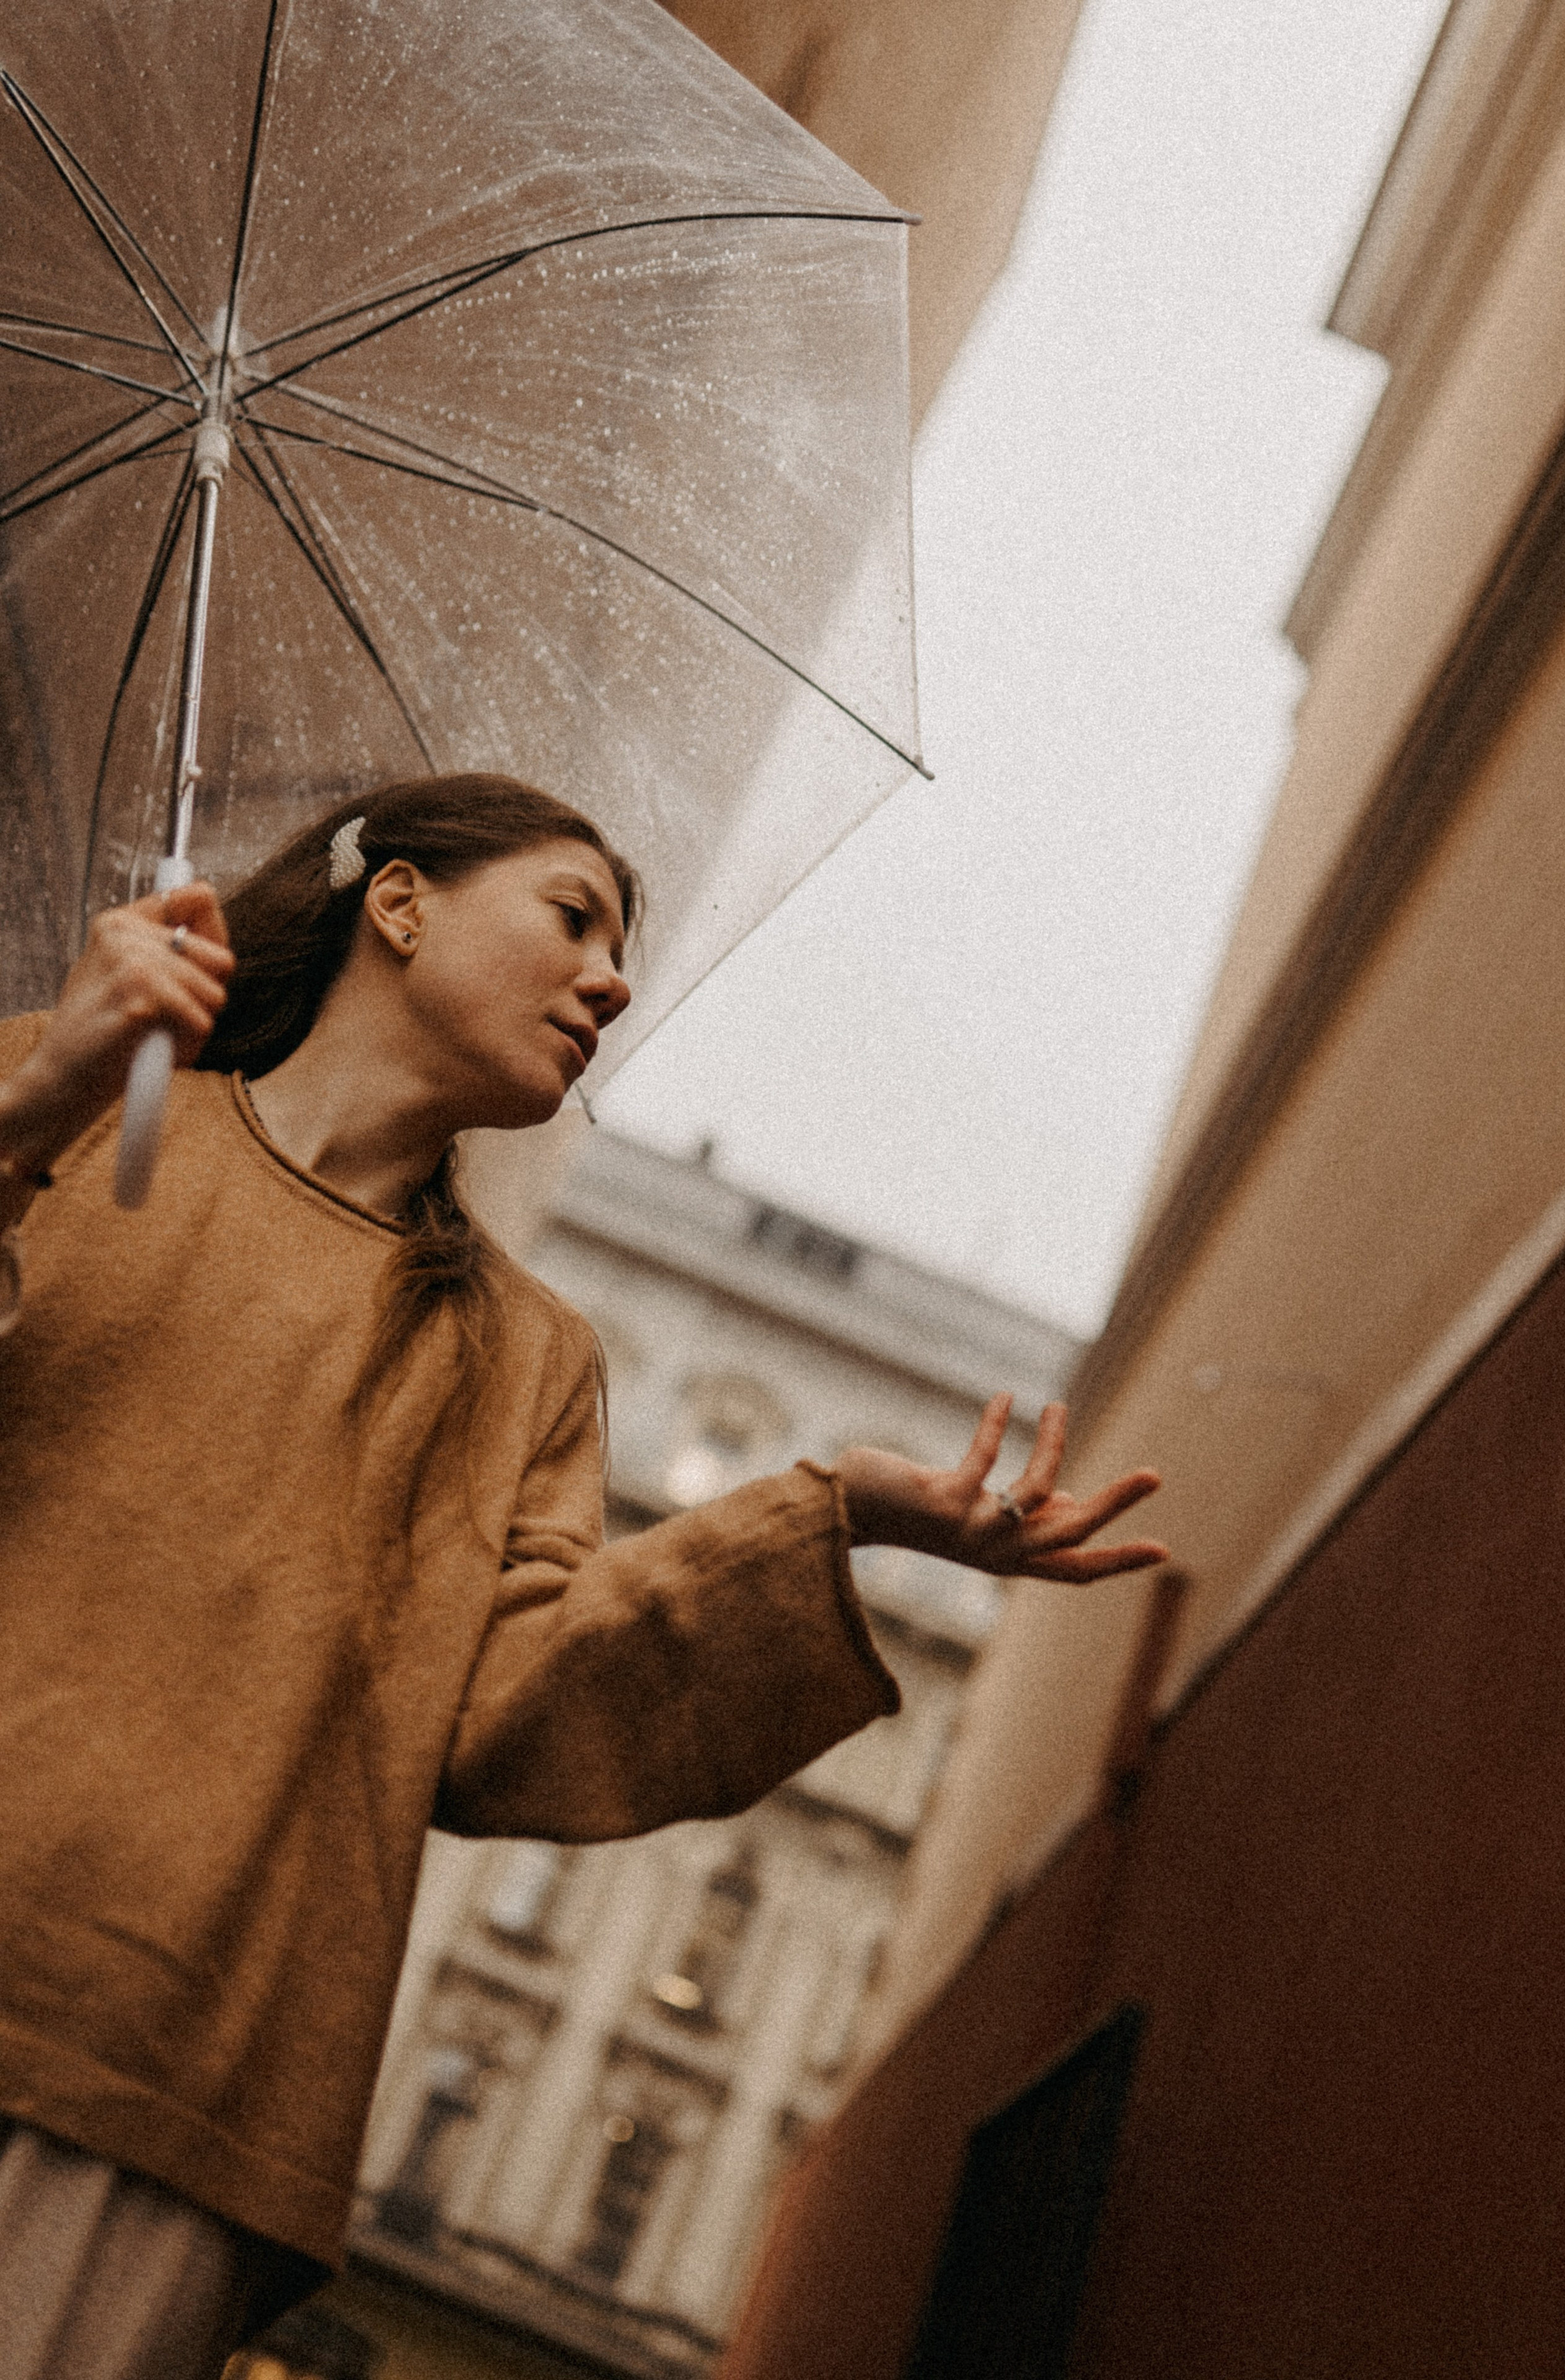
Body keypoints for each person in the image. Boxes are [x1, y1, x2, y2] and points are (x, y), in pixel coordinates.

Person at [0, 775, 1166, 2379]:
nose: (614, 979)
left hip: (174, 2082)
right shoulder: (66, 1099)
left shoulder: (524, 1358)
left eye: (624, 948)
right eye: (573, 916)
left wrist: (833, 1515)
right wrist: (36, 1102)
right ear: (399, 904)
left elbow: (506, 1719)